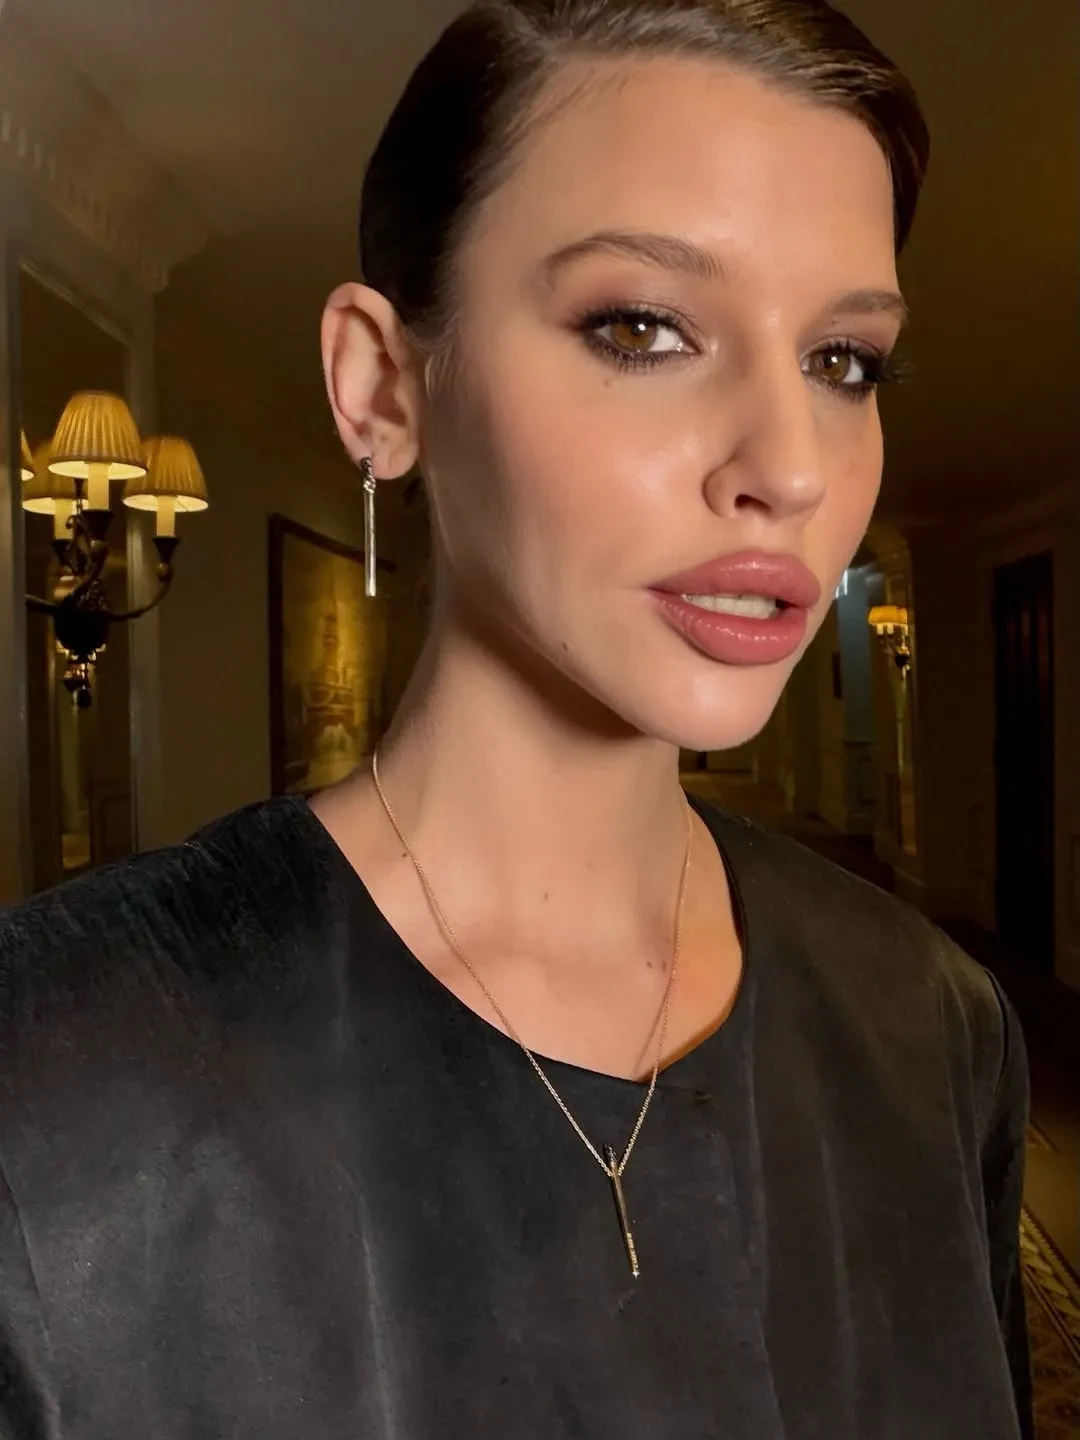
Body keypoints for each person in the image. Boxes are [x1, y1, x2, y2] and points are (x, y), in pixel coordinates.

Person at [0, 0, 1032, 1435]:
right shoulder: (48, 1070)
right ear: (382, 385)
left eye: (843, 360)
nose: (792, 467)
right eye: (644, 328)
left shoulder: (934, 1023)